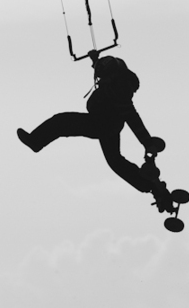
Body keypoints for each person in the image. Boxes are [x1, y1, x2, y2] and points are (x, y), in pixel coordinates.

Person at [17, 51, 173, 212]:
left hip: (101, 124)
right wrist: (95, 60)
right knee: (115, 160)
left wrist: (147, 142)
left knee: (61, 121)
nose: (101, 81)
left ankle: (35, 141)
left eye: (104, 78)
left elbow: (133, 119)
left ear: (113, 77)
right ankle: (150, 187)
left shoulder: (119, 93)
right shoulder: (115, 79)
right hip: (107, 126)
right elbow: (104, 72)